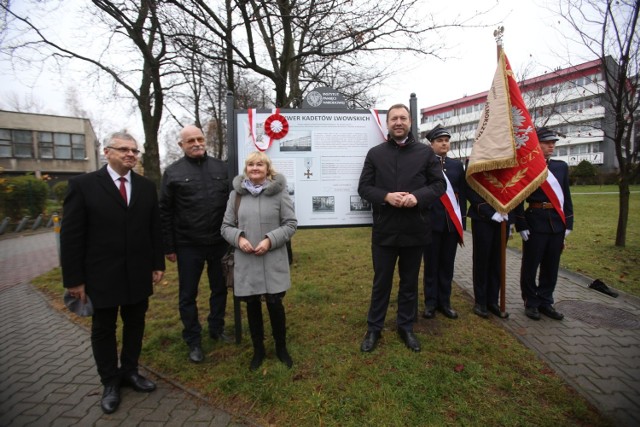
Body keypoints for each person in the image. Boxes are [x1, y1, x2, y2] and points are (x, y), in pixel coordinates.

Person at [60, 132, 165, 414]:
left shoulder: (145, 186)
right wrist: (74, 280)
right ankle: (109, 381)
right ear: (107, 152)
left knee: (135, 323)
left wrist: (157, 263)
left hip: (137, 272)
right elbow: (71, 236)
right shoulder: (83, 186)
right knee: (104, 328)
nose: (131, 154)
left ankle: (130, 371)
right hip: (100, 275)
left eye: (134, 150)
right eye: (124, 150)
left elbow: (154, 228)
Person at [357, 104, 446, 353]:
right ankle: (374, 328)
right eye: (394, 118)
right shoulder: (375, 154)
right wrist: (386, 196)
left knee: (409, 283)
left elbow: (439, 185)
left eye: (403, 118)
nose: (398, 122)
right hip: (385, 231)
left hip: (414, 229)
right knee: (381, 282)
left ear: (410, 122)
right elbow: (364, 188)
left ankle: (405, 327)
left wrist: (417, 197)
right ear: (387, 124)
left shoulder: (425, 153)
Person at [159, 125, 230, 364]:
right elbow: (165, 212)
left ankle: (216, 328)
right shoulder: (172, 172)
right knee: (187, 294)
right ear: (181, 145)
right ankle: (193, 340)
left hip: (220, 242)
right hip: (188, 244)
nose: (197, 143)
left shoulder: (222, 168)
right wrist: (169, 247)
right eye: (190, 140)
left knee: (219, 288)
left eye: (200, 138)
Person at [221, 151, 297, 371]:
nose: (255, 168)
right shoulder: (236, 195)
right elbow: (226, 227)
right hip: (247, 260)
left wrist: (269, 240)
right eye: (251, 164)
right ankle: (258, 350)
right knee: (252, 305)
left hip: (272, 258)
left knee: (275, 304)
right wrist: (239, 239)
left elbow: (291, 224)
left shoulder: (279, 193)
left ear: (267, 169)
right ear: (246, 168)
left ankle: (281, 348)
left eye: (260, 164)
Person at [515, 127, 574, 320]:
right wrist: (521, 224)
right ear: (536, 144)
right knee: (531, 265)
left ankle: (546, 300)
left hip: (556, 223)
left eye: (553, 143)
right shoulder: (527, 166)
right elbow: (517, 198)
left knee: (551, 265)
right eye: (547, 143)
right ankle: (531, 302)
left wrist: (568, 224)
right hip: (535, 220)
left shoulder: (561, 167)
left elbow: (566, 196)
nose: (551, 146)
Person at [422, 125, 466, 320]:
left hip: (450, 223)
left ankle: (445, 302)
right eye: (440, 140)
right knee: (431, 265)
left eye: (446, 140)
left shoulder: (456, 166)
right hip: (431, 223)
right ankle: (430, 303)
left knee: (447, 265)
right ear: (431, 144)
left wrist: (461, 223)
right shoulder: (424, 164)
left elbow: (461, 195)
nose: (444, 143)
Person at [467, 186, 511, 319]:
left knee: (497, 262)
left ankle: (493, 301)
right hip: (482, 218)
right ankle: (480, 302)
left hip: (504, 216)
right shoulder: (476, 163)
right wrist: (489, 212)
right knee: (482, 261)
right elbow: (471, 187)